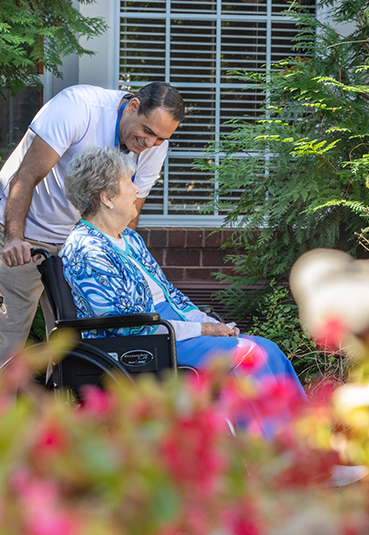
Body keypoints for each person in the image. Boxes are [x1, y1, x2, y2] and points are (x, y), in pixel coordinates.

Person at [59, 146, 308, 437]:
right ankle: (277, 454)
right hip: (145, 346)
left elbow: (170, 295)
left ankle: (301, 449)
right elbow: (126, 326)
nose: (136, 189)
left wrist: (210, 324)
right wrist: (201, 329)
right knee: (252, 355)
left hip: (168, 331)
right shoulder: (87, 248)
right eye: (129, 183)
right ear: (107, 197)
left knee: (268, 348)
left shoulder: (129, 238)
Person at [0, 82, 185, 371]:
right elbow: (25, 177)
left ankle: (63, 414)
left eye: (160, 139)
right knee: (5, 343)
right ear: (134, 105)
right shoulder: (78, 108)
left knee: (76, 345)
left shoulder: (152, 149)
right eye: (148, 132)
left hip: (80, 246)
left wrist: (121, 260)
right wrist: (13, 238)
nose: (149, 144)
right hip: (25, 228)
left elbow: (128, 212)